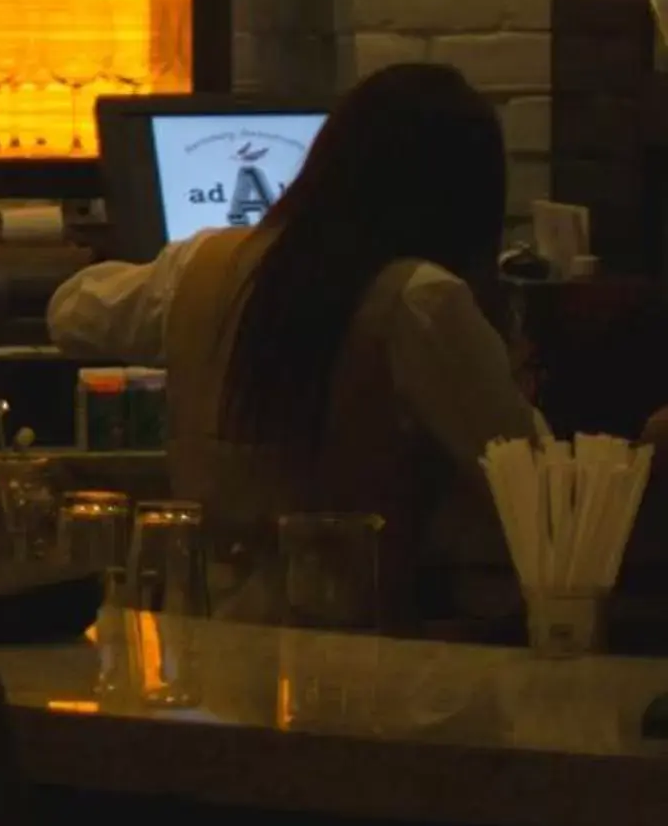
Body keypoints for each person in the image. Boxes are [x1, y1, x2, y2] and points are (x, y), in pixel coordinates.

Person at [49, 64, 547, 626]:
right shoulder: (421, 300)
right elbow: (535, 490)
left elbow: (71, 311)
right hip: (364, 652)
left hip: (210, 638)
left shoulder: (202, 264)